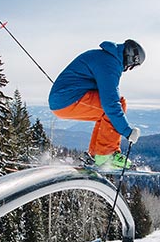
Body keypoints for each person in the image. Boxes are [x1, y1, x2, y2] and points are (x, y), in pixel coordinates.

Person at [49, 39, 145, 170]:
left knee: (104, 114)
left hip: (65, 99)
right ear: (130, 57)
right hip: (68, 99)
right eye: (133, 65)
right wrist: (128, 131)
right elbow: (111, 103)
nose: (129, 69)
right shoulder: (110, 63)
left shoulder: (105, 58)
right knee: (118, 105)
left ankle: (97, 154)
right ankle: (105, 155)